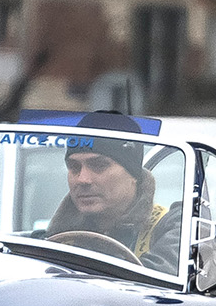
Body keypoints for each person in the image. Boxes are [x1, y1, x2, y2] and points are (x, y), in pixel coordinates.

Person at [45, 110, 181, 274]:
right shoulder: (52, 240)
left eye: (99, 165)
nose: (82, 179)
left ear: (134, 174)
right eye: (74, 167)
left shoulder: (173, 228)